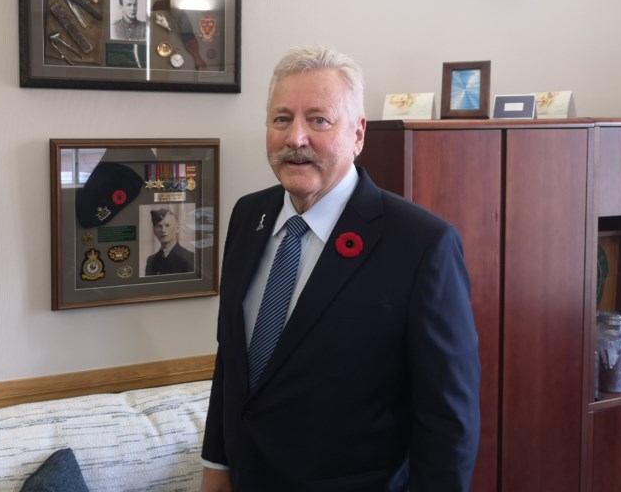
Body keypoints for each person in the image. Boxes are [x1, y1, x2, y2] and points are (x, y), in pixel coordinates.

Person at [200, 46, 480, 491]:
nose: (296, 138)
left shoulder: (421, 245)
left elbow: (448, 422)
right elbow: (232, 364)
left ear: (358, 134)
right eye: (281, 119)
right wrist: (217, 467)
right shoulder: (247, 217)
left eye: (318, 120)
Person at [145, 207, 194, 275]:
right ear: (154, 231)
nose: (163, 230)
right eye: (159, 226)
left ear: (177, 228)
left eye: (167, 225)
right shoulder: (151, 260)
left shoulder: (190, 257)